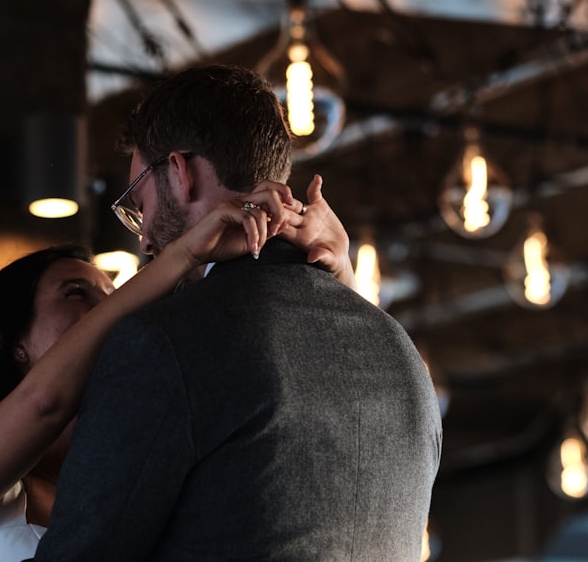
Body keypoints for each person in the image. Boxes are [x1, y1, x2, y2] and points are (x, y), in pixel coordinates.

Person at [32, 65, 442, 561]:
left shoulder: (162, 343)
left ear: (180, 174)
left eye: (139, 202)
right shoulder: (402, 357)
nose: (142, 238)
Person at [0, 177, 351, 562]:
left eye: (112, 292)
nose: (108, 306)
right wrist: (184, 253)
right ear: (12, 341)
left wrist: (340, 280)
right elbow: (44, 401)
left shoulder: (149, 468)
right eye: (76, 292)